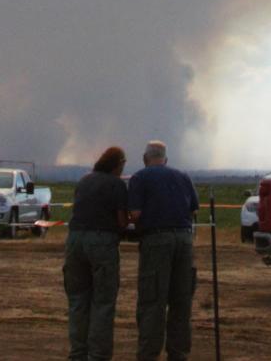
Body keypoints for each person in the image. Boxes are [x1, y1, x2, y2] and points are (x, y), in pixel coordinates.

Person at [125, 140, 200, 361]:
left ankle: (148, 355)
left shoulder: (140, 177)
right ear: (165, 159)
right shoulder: (183, 177)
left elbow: (136, 214)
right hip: (185, 242)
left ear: (145, 158)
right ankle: (178, 354)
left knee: (152, 302)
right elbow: (193, 209)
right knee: (181, 301)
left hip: (156, 242)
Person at [65, 145, 133, 361]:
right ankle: (98, 356)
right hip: (102, 243)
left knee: (78, 301)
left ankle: (77, 354)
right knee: (103, 303)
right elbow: (122, 221)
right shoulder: (117, 185)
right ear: (119, 164)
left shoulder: (85, 180)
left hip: (75, 241)